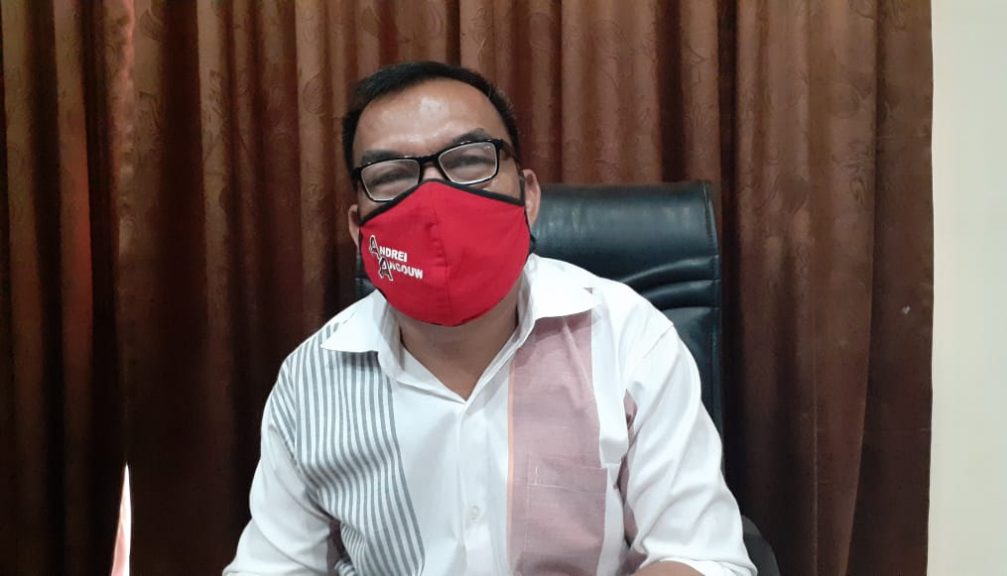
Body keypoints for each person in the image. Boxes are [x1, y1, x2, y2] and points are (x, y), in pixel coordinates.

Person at [224, 61, 755, 576]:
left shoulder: (628, 338)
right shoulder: (309, 383)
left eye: (469, 161)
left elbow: (703, 557)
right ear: (359, 228)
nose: (432, 197)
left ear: (528, 195)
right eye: (392, 175)